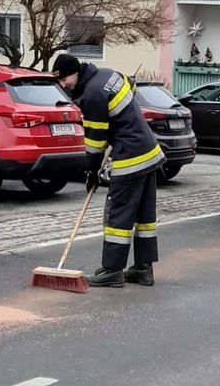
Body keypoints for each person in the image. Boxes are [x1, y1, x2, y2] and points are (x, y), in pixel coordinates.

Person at [52, 54, 164, 288]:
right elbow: (131, 88)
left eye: (64, 79)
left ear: (75, 72)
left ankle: (112, 271)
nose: (64, 85)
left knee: (118, 214)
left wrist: (91, 171)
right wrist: (120, 123)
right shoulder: (108, 75)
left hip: (131, 156)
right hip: (149, 150)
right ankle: (143, 269)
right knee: (144, 216)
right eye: (60, 82)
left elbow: (95, 141)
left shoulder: (91, 94)